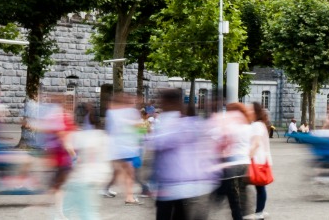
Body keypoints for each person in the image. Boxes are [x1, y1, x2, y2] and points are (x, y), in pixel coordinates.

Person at [150, 88, 219, 220]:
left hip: (173, 184)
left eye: (162, 101)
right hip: (188, 184)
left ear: (168, 103)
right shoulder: (192, 123)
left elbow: (158, 143)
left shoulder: (172, 123)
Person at [62, 116, 111, 220]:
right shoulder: (103, 136)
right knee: (89, 209)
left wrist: (74, 156)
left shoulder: (81, 135)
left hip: (81, 177)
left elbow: (67, 145)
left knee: (71, 209)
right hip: (97, 176)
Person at [216, 103, 253, 220]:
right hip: (245, 163)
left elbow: (220, 145)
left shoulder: (229, 127)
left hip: (232, 164)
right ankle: (245, 215)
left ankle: (238, 217)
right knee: (242, 194)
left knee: (234, 198)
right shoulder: (248, 127)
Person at [105, 93, 144, 204]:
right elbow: (139, 129)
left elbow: (110, 130)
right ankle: (129, 196)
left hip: (119, 148)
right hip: (127, 148)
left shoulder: (111, 112)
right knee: (129, 172)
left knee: (123, 172)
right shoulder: (130, 112)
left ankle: (127, 195)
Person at [247, 102, 274, 219]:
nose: (248, 112)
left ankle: (258, 212)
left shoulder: (257, 125)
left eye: (250, 110)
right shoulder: (259, 124)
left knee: (259, 186)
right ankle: (259, 212)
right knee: (260, 187)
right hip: (261, 159)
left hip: (257, 160)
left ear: (255, 112)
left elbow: (256, 143)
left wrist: (247, 156)